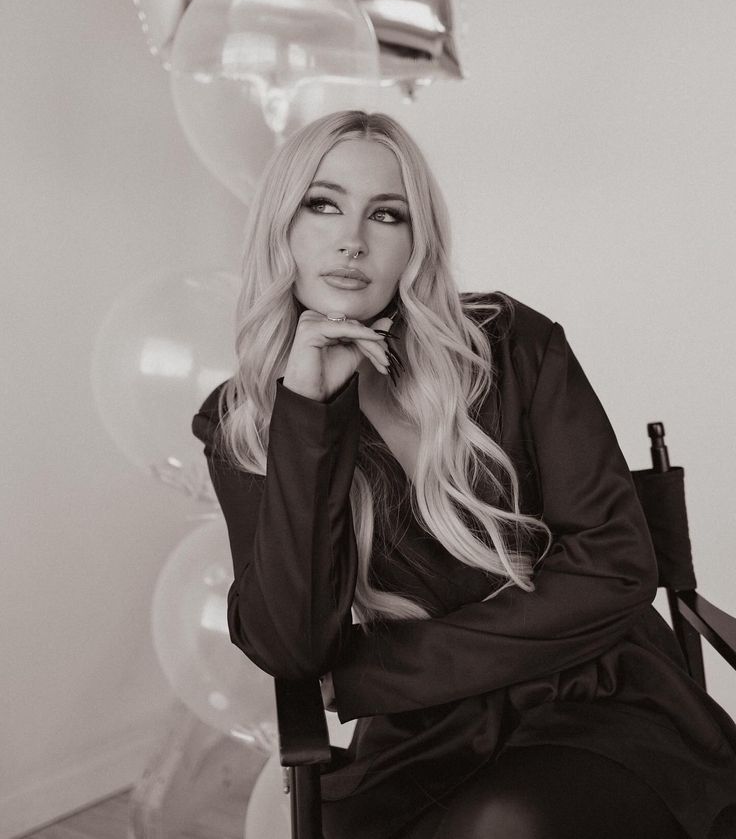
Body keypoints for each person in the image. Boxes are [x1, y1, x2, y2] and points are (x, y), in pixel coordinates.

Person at [191, 110, 736, 839]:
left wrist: (381, 671)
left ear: (416, 244)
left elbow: (615, 567)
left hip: (600, 698)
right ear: (281, 227)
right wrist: (309, 411)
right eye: (322, 204)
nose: (352, 239)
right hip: (427, 741)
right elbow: (291, 648)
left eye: (387, 214)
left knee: (504, 823)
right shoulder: (244, 421)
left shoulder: (512, 346)